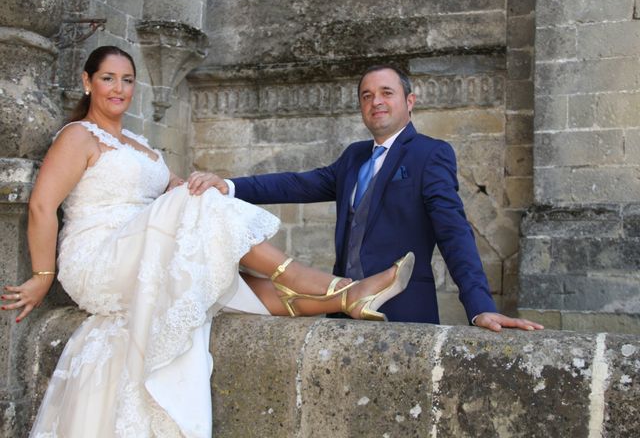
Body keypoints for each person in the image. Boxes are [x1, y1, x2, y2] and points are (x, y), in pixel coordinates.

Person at [0, 47, 415, 437]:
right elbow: (41, 205)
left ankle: (345, 300)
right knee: (198, 210)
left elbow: (177, 190)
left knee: (218, 253)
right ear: (87, 81)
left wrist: (208, 185)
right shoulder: (79, 135)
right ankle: (335, 284)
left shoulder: (141, 146)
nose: (119, 88)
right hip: (100, 257)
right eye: (108, 78)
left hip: (145, 250)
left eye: (127, 80)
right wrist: (41, 275)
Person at [197, 64, 544, 332]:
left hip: (404, 312)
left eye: (386, 92)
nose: (375, 101)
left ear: (409, 101)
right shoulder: (353, 157)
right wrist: (228, 186)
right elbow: (296, 184)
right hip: (339, 310)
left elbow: (454, 233)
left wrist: (480, 307)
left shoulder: (430, 154)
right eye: (366, 95)